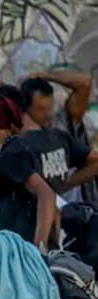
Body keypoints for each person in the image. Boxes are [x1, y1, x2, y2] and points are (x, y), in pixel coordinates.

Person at [0, 92, 98, 248]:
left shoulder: (11, 153)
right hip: (44, 239)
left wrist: (38, 248)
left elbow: (46, 194)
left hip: (24, 243)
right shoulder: (50, 140)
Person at [22, 69, 96, 204]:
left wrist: (46, 76)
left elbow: (84, 82)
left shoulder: (64, 122)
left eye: (49, 107)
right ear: (26, 109)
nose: (47, 114)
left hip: (77, 208)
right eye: (40, 109)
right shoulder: (20, 138)